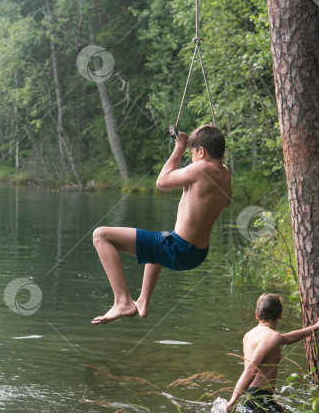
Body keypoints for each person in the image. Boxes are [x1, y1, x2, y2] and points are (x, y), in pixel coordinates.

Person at [91, 124, 231, 324]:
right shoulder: (225, 174)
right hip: (198, 254)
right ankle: (143, 301)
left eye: (191, 153)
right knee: (158, 240)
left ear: (201, 151)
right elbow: (225, 203)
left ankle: (123, 301)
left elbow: (161, 182)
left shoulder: (201, 168)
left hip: (180, 248)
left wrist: (178, 149)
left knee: (100, 235)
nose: (190, 158)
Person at [225, 294, 319, 413]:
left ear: (257, 314)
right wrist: (233, 401)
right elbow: (251, 369)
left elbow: (289, 338)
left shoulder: (249, 335)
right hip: (261, 398)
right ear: (279, 315)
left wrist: (317, 326)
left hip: (249, 397)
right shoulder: (272, 337)